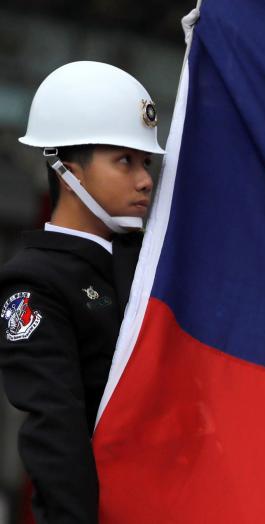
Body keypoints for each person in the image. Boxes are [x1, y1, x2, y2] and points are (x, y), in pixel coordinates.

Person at [0, 61, 165, 524]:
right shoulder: (35, 282)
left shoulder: (145, 263)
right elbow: (56, 431)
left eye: (146, 162)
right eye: (125, 160)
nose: (145, 179)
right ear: (67, 171)